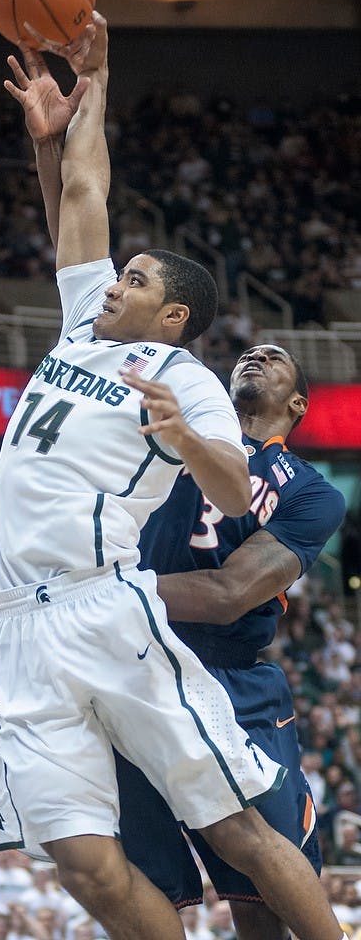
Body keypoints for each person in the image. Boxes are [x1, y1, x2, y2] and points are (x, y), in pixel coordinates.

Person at [0, 12, 346, 940]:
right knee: (89, 869)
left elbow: (233, 494)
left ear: (173, 315)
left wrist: (189, 439)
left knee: (237, 831)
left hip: (106, 608)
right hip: (17, 627)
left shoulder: (184, 380)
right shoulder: (76, 328)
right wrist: (84, 91)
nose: (113, 282)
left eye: (133, 280)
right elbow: (84, 188)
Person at [116, 342, 346, 938]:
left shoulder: (311, 493)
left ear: (296, 402)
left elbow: (229, 593)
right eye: (248, 353)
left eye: (275, 356)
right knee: (145, 883)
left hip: (229, 673)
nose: (257, 354)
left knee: (262, 888)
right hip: (134, 660)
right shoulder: (172, 435)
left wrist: (100, 590)